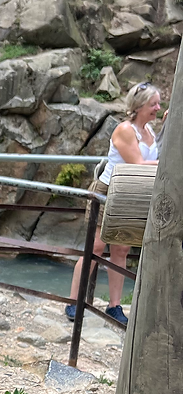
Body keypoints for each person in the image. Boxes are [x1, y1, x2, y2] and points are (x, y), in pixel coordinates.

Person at [66, 81, 161, 324]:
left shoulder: (150, 131)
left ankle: (114, 306)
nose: (158, 108)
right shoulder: (125, 130)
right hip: (108, 190)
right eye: (154, 104)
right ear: (139, 106)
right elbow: (137, 163)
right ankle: (74, 301)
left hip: (131, 193)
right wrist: (168, 164)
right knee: (96, 246)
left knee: (121, 250)